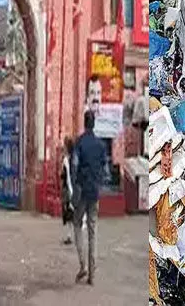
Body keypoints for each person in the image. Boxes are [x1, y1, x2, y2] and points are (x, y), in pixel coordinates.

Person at [72, 110, 105, 285]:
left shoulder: (79, 143)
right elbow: (105, 171)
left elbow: (74, 166)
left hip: (81, 191)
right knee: (93, 229)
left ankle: (82, 265)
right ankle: (92, 273)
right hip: (95, 192)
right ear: (94, 123)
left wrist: (73, 187)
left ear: (84, 123)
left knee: (77, 225)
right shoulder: (100, 145)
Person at [61, 136, 76, 245]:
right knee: (71, 214)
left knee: (70, 213)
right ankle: (70, 235)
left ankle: (71, 235)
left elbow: (66, 176)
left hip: (69, 189)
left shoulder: (66, 160)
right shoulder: (74, 159)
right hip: (73, 188)